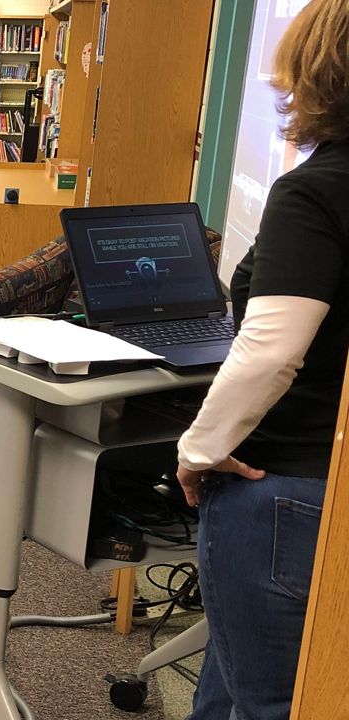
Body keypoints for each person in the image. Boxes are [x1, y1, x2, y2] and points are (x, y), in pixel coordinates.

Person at [174, 2, 348, 717]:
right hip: (328, 488)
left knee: (270, 702)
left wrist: (196, 448)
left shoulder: (314, 190)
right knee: (227, 688)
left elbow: (273, 353)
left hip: (280, 490)